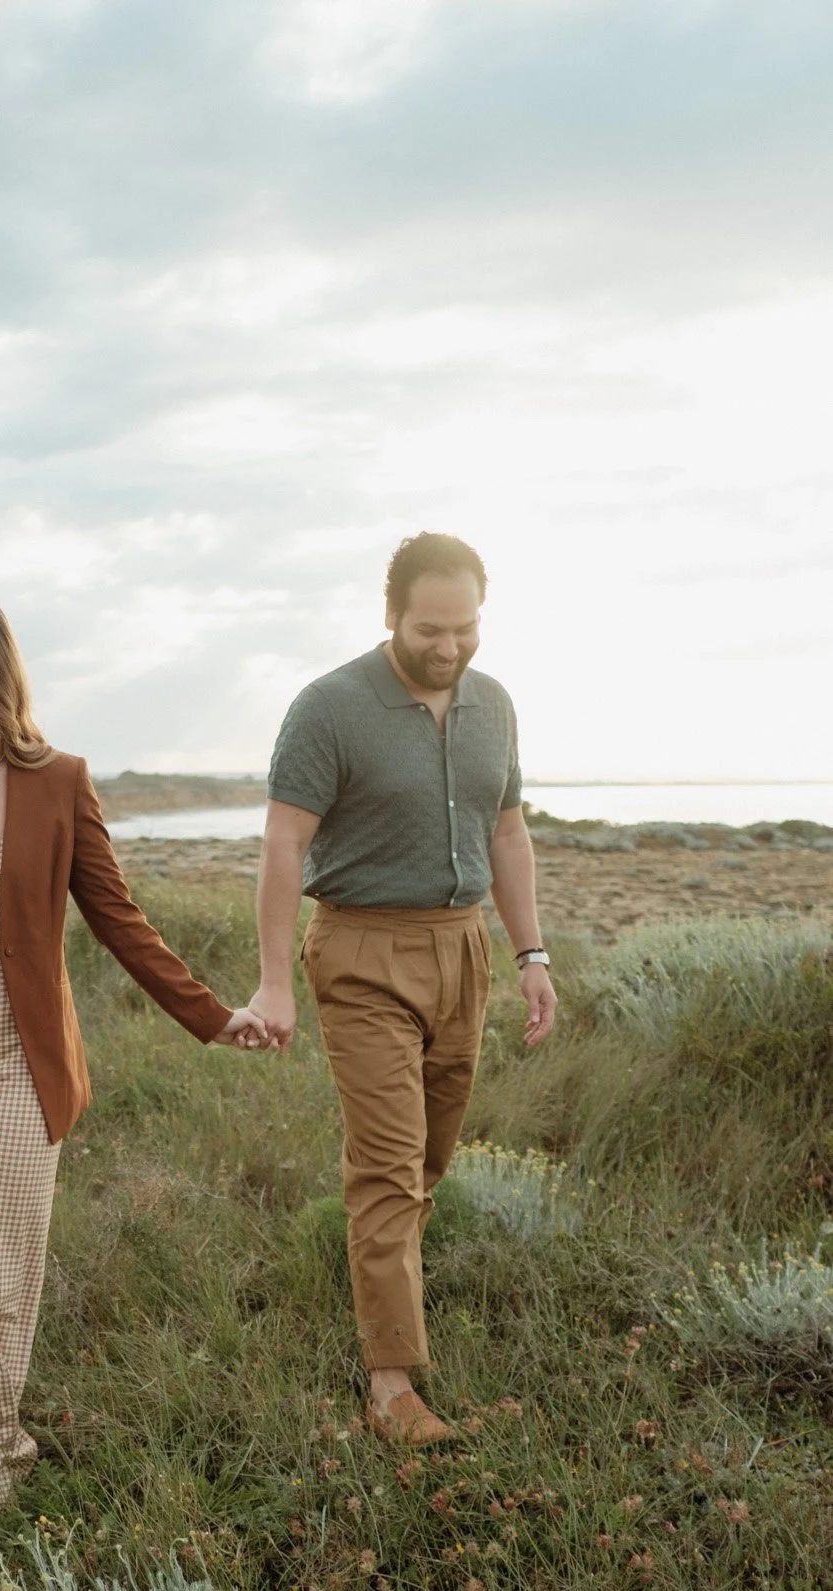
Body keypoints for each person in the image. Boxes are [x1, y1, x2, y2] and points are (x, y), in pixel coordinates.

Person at [0, 593, 269, 1558]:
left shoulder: (58, 782)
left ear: (0, 678)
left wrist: (210, 1015)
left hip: (15, 1065)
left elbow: (118, 917)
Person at [248, 533, 557, 1446]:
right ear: (390, 615)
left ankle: (387, 1290)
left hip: (462, 949)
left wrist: (529, 955)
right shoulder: (329, 707)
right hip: (361, 952)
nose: (449, 647)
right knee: (386, 1168)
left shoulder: (493, 704)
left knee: (423, 1167)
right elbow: (280, 846)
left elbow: (507, 836)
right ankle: (391, 1388)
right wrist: (273, 983)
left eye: (465, 628)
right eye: (430, 628)